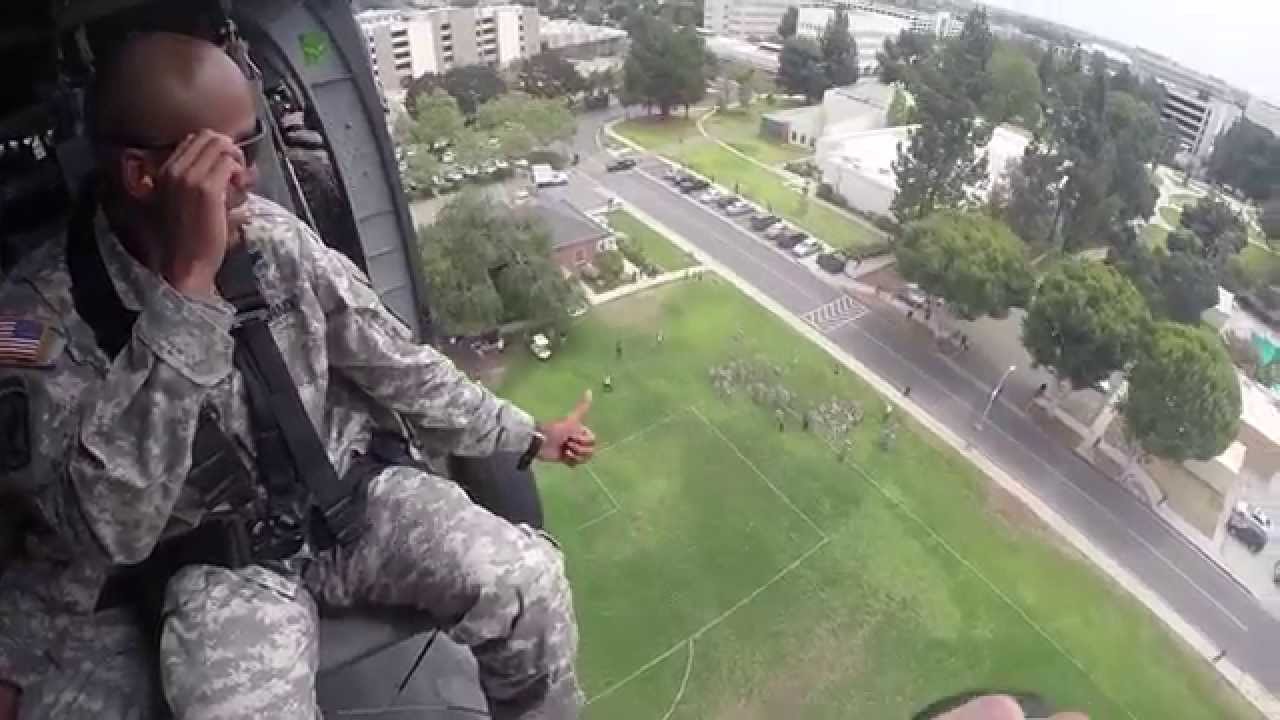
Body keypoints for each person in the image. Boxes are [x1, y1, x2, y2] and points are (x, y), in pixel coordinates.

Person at [0, 32, 592, 719]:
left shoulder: (274, 241)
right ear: (144, 175)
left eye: (251, 149)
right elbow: (105, 527)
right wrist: (188, 294)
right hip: (226, 568)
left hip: (354, 504)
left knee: (528, 582)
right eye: (228, 156)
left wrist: (524, 433)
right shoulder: (42, 321)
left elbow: (395, 364)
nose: (250, 178)